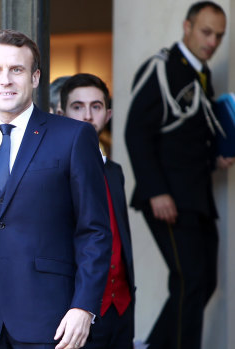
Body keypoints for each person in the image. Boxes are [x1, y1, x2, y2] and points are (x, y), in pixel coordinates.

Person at [0, 29, 112, 349]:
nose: (5, 79)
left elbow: (95, 231)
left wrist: (84, 306)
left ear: (35, 77)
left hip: (54, 321)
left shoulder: (75, 136)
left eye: (17, 70)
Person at [125, 2, 234, 348]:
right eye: (206, 32)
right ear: (187, 27)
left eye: (219, 35)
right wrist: (157, 191)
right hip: (168, 196)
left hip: (195, 195)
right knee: (189, 279)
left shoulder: (198, 73)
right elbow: (135, 132)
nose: (213, 41)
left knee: (202, 282)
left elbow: (182, 136)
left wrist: (214, 158)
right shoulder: (162, 67)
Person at [60, 73, 135, 349]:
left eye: (96, 106)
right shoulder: (54, 171)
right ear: (61, 113)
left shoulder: (114, 171)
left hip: (122, 308)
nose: (87, 116)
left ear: (108, 114)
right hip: (75, 312)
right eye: (77, 107)